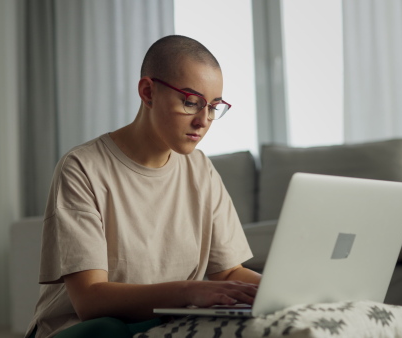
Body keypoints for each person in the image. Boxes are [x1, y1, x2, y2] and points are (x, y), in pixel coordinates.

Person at [25, 35, 262, 338]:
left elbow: (228, 273)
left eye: (214, 107)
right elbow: (90, 301)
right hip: (85, 329)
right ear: (148, 92)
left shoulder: (201, 169)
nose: (203, 120)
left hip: (162, 324)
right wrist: (191, 291)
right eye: (191, 102)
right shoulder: (83, 167)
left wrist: (285, 287)